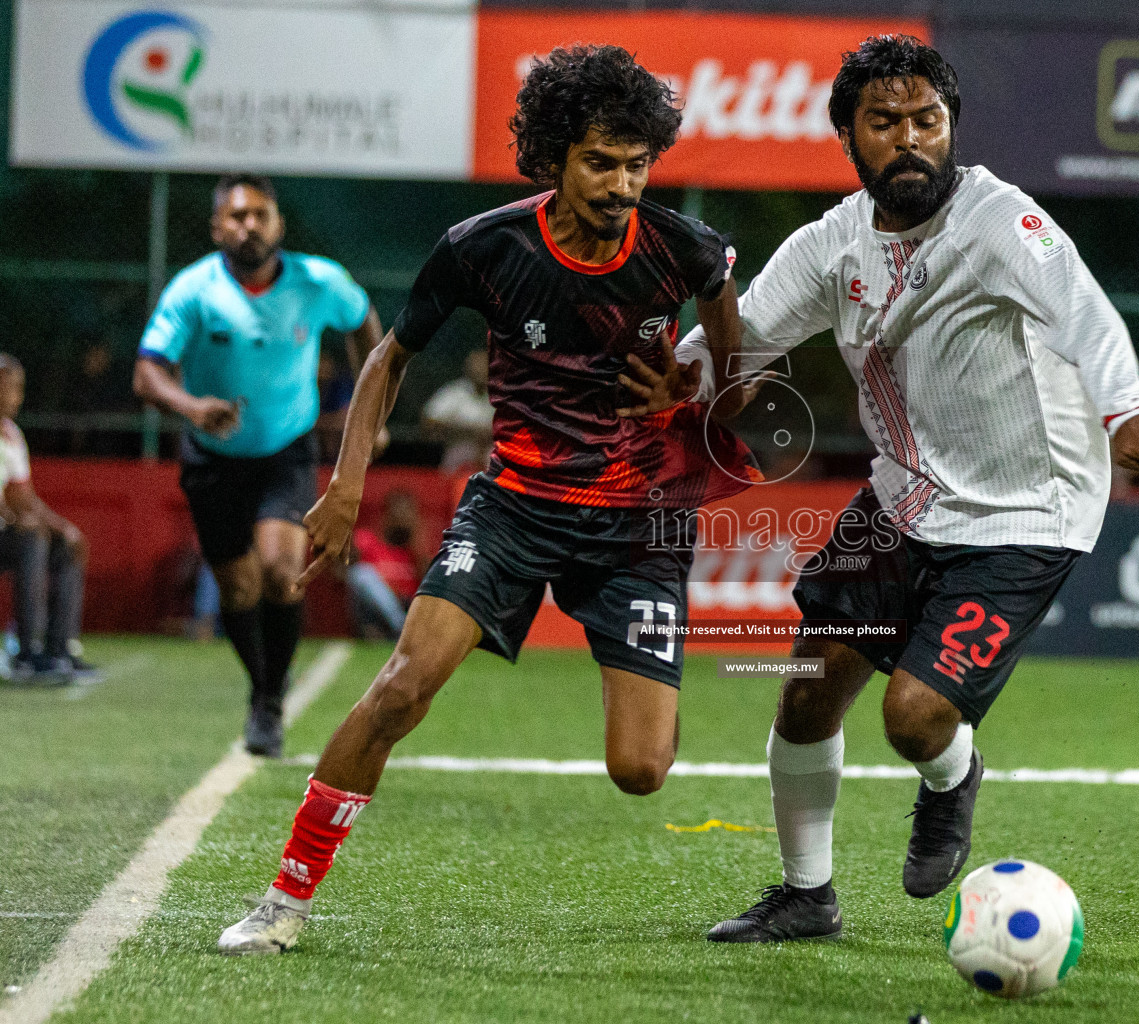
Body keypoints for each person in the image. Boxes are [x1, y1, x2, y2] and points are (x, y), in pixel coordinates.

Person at [217, 44, 759, 955]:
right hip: (513, 507)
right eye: (600, 162)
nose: (623, 184)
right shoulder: (484, 248)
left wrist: (693, 396)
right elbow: (389, 360)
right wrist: (346, 484)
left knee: (641, 770)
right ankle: (284, 900)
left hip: (638, 525)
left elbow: (740, 392)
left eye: (637, 164)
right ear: (551, 157)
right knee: (401, 689)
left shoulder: (690, 255)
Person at [672, 36, 1139, 943]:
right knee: (805, 690)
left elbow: (1085, 312)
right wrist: (678, 380)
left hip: (1027, 509)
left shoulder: (1000, 220)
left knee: (913, 719)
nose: (910, 138)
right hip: (905, 499)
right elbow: (738, 339)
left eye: (928, 120)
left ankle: (953, 777)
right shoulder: (830, 245)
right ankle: (806, 896)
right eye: (885, 123)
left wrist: (1127, 413)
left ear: (950, 126)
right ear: (849, 135)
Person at [133, 174, 385, 756]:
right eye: (237, 216)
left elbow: (366, 326)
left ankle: (269, 702)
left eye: (261, 214)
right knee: (238, 588)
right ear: (218, 226)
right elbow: (146, 372)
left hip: (287, 451)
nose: (250, 225)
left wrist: (363, 412)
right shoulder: (193, 290)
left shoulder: (318, 280)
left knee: (279, 569)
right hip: (213, 457)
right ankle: (263, 684)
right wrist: (192, 406)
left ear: (279, 224)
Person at [0, 355, 95, 683]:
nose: (17, 397)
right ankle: (27, 652)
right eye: (11, 388)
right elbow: (9, 504)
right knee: (31, 538)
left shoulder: (11, 434)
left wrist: (63, 527)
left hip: (6, 533)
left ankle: (59, 648)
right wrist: (16, 519)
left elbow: (23, 495)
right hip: (7, 531)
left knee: (66, 545)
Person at [345, 489, 423, 640]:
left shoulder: (416, 551)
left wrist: (417, 546)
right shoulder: (366, 540)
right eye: (398, 512)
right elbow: (340, 570)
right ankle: (402, 629)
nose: (402, 518)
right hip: (376, 617)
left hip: (409, 609)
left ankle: (406, 629)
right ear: (387, 515)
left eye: (407, 513)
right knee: (361, 573)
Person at [421, 350, 495, 473]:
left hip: (491, 450)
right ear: (468, 368)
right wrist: (467, 430)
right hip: (459, 448)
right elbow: (429, 421)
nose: (480, 370)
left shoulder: (500, 395)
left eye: (484, 366)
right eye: (476, 366)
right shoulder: (455, 392)